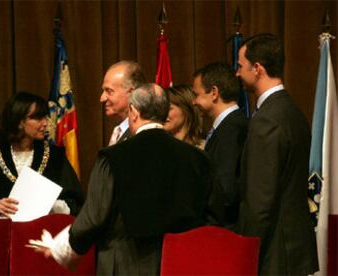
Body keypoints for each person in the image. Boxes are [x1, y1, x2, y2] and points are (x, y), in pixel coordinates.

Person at [31, 83, 213, 275]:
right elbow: (211, 217)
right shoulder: (198, 158)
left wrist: (60, 249)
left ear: (133, 112)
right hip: (182, 264)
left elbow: (94, 217)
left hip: (126, 264)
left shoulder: (114, 157)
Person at [235, 33, 318, 274]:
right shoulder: (292, 110)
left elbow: (261, 202)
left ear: (257, 68)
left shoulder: (267, 120)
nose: (238, 74)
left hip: (275, 255)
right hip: (293, 249)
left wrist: (245, 253)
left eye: (241, 66)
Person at [0, 92, 84, 217]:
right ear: (19, 121)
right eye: (37, 118)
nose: (45, 123)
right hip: (0, 232)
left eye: (45, 117)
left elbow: (75, 202)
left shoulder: (55, 157)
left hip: (42, 232)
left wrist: (50, 205)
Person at [193, 62, 248, 227]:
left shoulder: (232, 129)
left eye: (197, 94)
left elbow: (226, 191)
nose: (194, 102)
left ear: (214, 93)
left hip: (225, 229)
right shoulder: (228, 127)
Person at [100, 60, 146, 145]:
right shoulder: (118, 131)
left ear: (132, 93)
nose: (102, 98)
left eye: (109, 91)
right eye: (103, 91)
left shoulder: (142, 133)